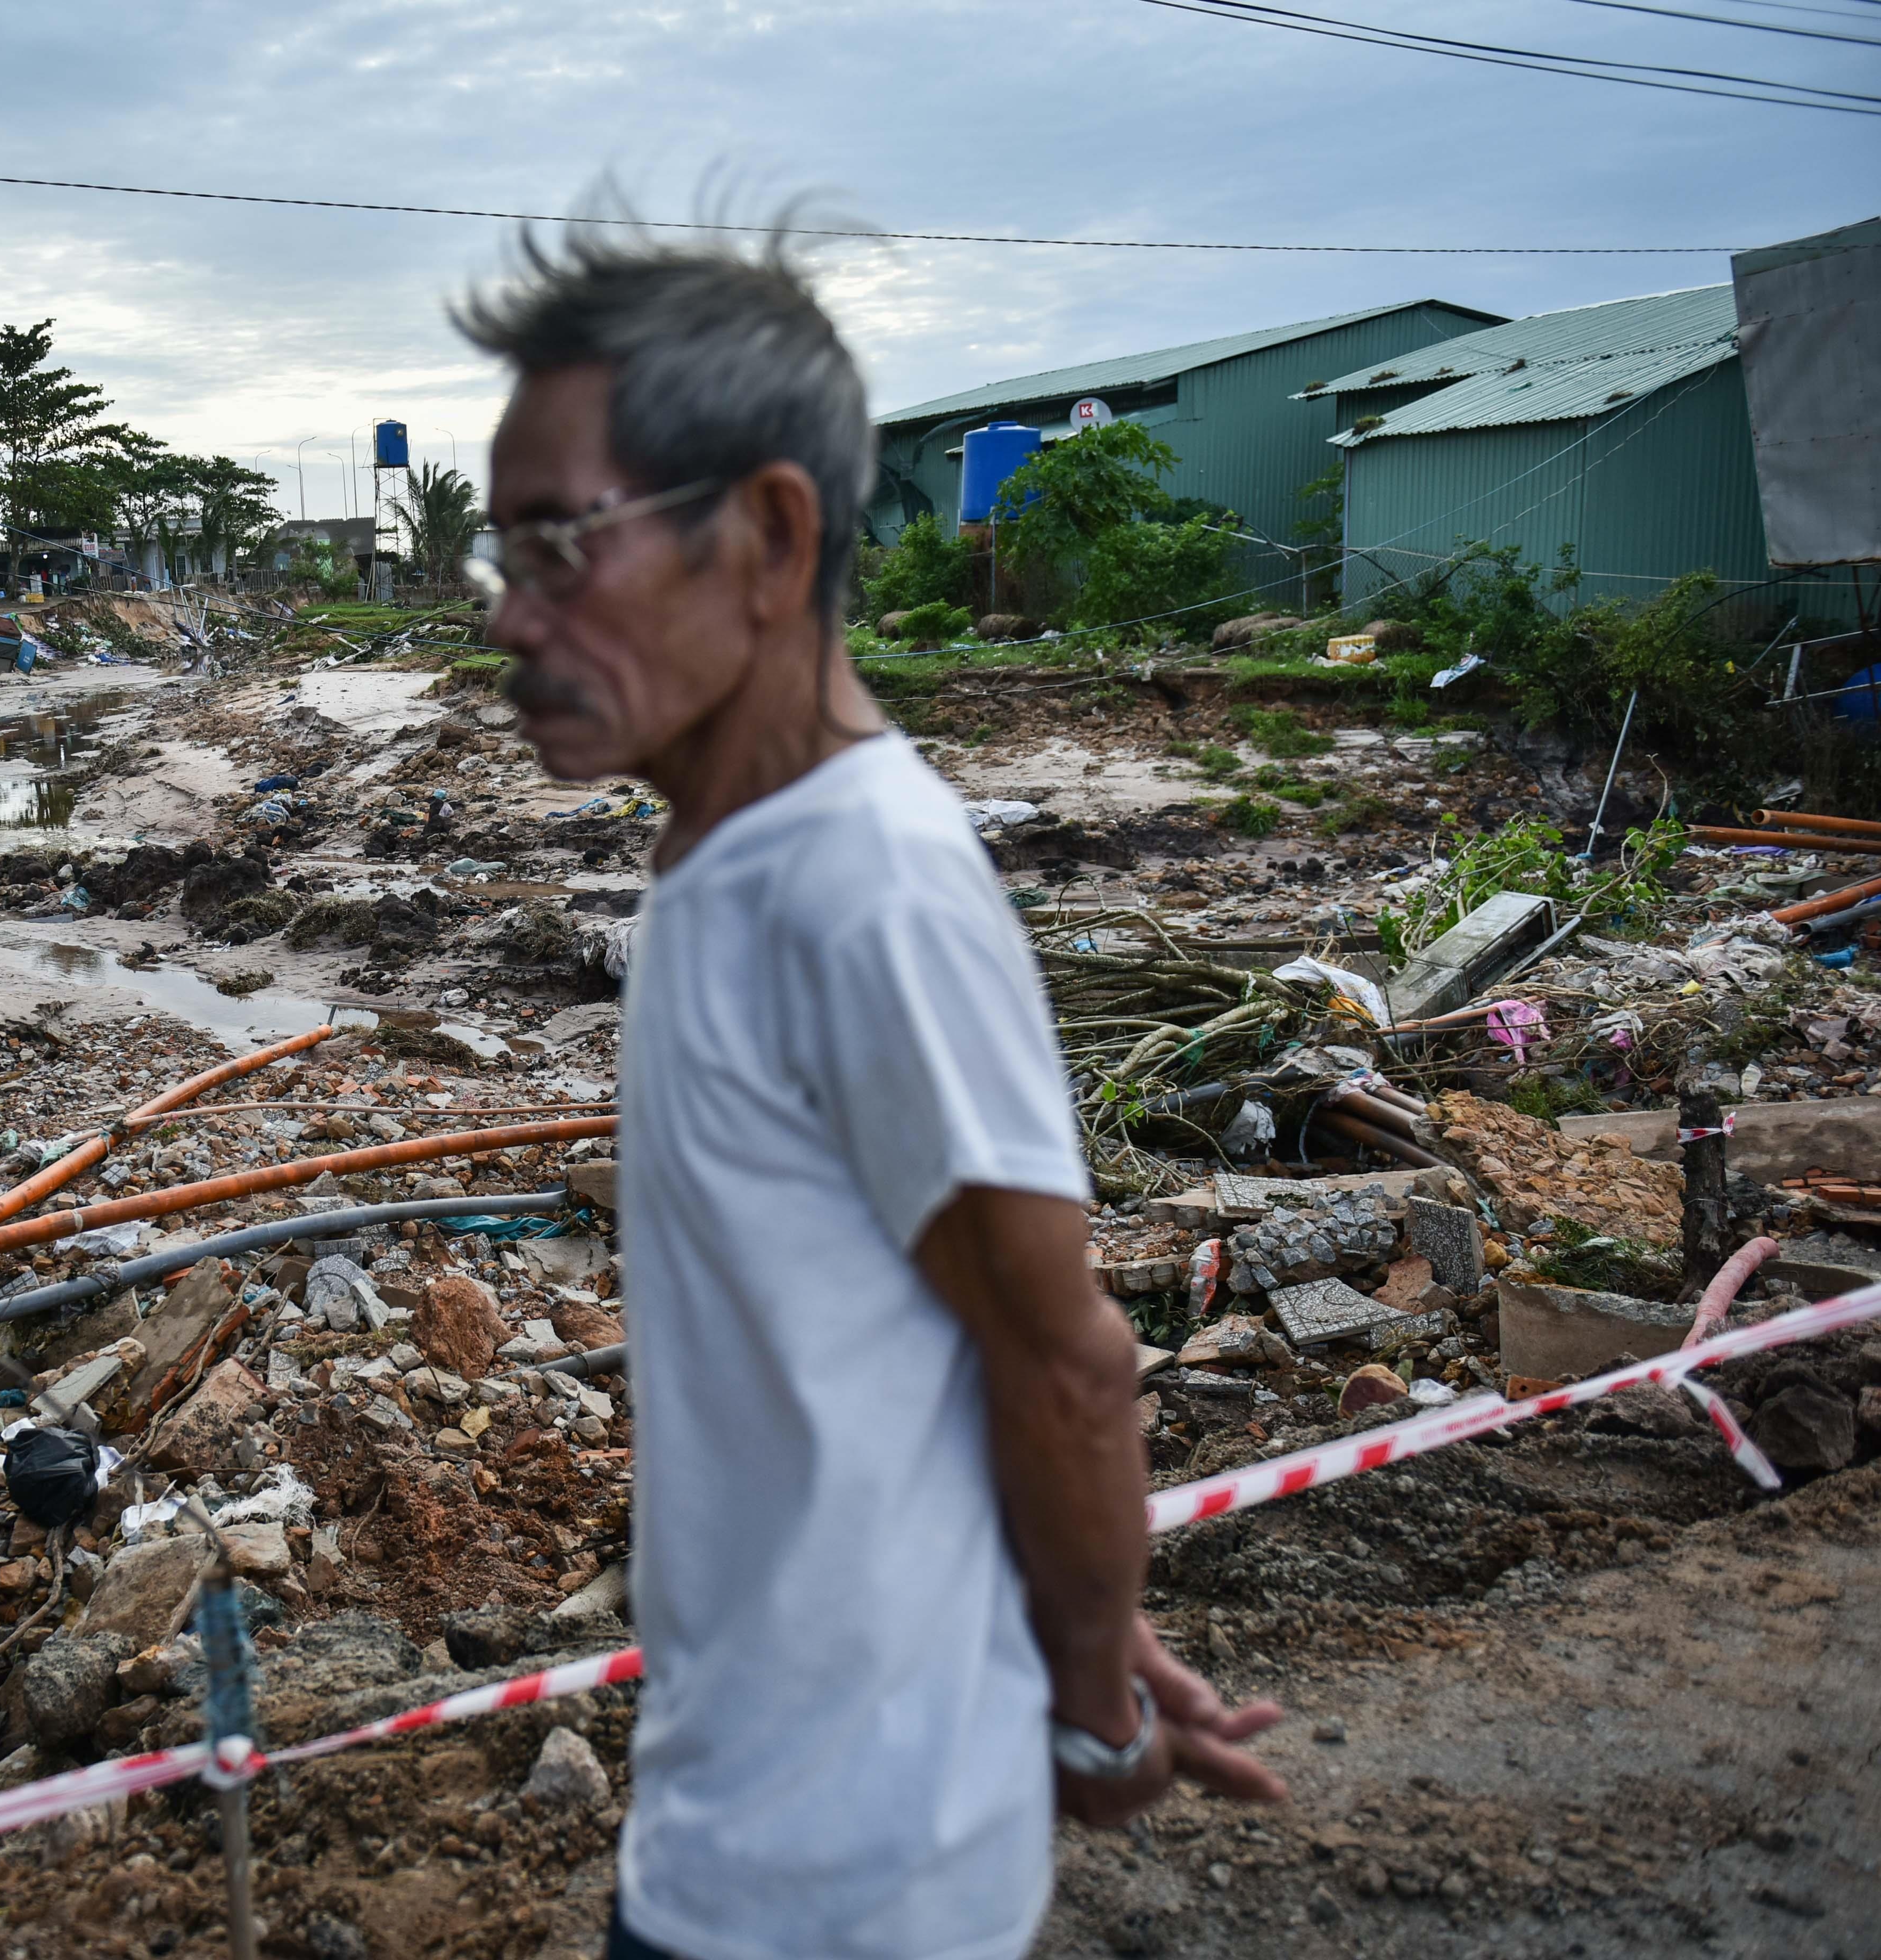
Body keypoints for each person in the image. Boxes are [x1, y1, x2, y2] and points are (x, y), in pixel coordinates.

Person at [452, 225, 1288, 1960]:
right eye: (499, 549)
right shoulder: (729, 858)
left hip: (832, 1886)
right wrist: (1079, 1612)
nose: (512, 618)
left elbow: (1065, 1362)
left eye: (560, 547)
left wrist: (1090, 1716)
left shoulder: (866, 890)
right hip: (750, 1824)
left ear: (765, 535)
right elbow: (930, 1351)